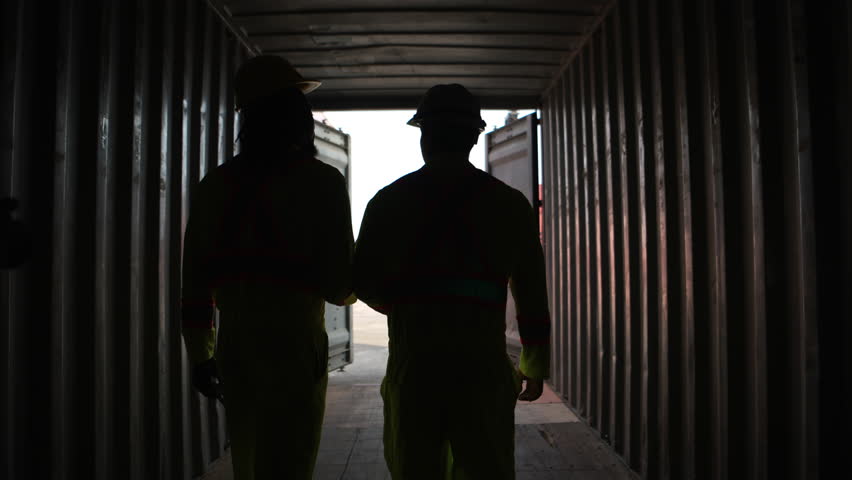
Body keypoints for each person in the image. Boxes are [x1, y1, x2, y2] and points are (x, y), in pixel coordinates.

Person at [353, 84, 550, 479]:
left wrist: (411, 308)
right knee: (486, 466)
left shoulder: (389, 201)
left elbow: (363, 281)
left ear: (424, 136)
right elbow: (530, 294)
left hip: (415, 369)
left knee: (415, 466)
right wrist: (534, 363)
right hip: (482, 371)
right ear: (474, 137)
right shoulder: (508, 204)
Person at [180, 55, 354, 479]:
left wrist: (202, 356)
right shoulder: (322, 183)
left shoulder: (216, 186)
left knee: (250, 463)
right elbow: (339, 287)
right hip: (298, 352)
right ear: (296, 116)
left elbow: (195, 285)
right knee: (292, 464)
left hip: (238, 352)